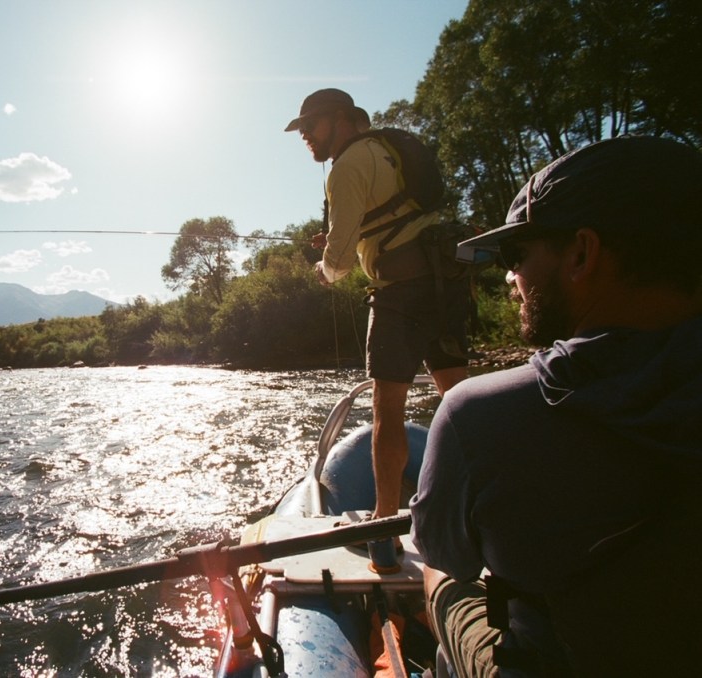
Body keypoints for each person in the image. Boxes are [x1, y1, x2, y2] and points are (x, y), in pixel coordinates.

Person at [411, 136, 702, 676]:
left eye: (517, 256)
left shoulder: (476, 414)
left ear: (581, 253)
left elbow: (445, 554)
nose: (509, 278)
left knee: (443, 580)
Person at [285, 88, 470, 519]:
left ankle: (384, 520)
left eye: (310, 125)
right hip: (445, 285)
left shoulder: (346, 166)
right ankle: (485, 505)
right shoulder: (384, 151)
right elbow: (389, 216)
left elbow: (340, 264)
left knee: (387, 409)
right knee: (461, 400)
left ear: (339, 118)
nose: (305, 135)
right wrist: (339, 240)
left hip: (399, 296)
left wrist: (324, 268)